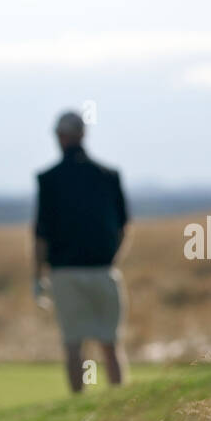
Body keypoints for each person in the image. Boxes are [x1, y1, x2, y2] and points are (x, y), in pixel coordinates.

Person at [33, 111, 130, 394]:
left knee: (74, 343)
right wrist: (112, 259)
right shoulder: (108, 176)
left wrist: (37, 276)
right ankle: (120, 402)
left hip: (64, 273)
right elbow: (124, 227)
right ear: (83, 135)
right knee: (110, 342)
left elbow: (40, 234)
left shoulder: (48, 179)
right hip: (104, 270)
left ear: (61, 137)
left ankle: (79, 405)